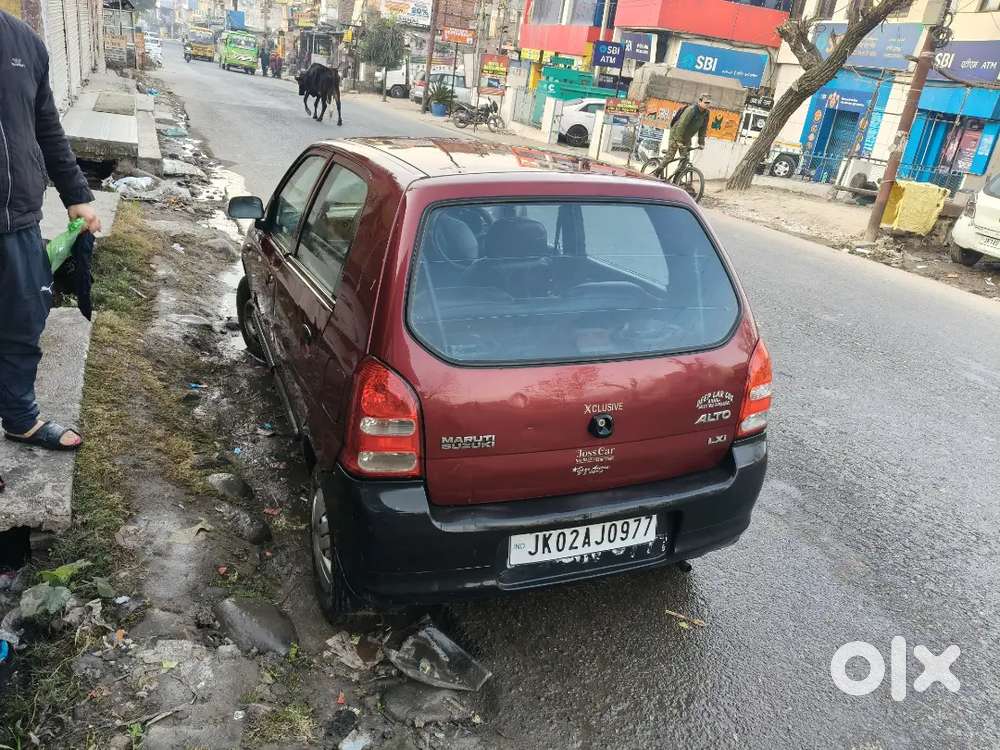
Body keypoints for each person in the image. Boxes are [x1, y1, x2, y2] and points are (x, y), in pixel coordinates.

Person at [0, 11, 101, 452]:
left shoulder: (24, 42)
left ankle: (20, 419)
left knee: (23, 322)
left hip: (18, 216)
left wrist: (76, 192)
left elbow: (46, 127)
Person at [657, 93, 712, 178]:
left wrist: (701, 143)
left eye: (709, 103)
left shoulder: (706, 114)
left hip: (687, 137)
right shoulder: (691, 110)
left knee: (685, 160)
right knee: (670, 157)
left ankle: (676, 180)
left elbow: (703, 129)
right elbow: (681, 125)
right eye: (706, 102)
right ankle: (656, 173)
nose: (707, 105)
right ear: (699, 101)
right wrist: (678, 141)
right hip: (676, 134)